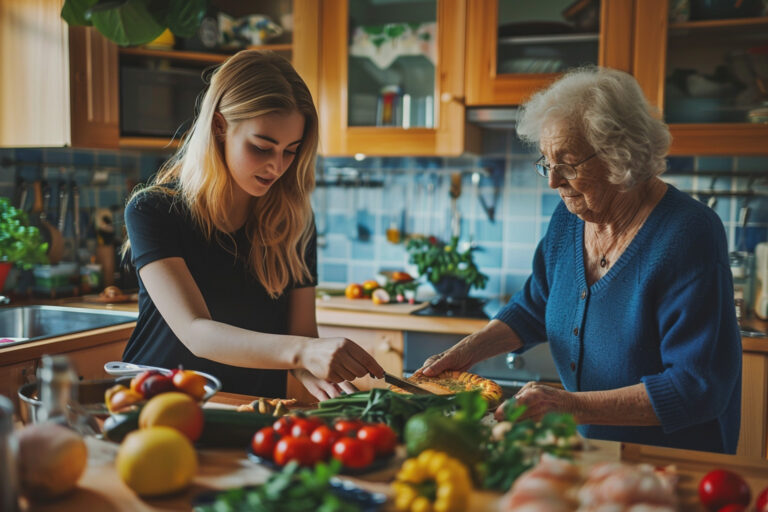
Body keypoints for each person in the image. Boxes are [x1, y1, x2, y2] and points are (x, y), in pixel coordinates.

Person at [418, 67, 742, 454]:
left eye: (567, 164)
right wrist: (467, 350)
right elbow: (534, 307)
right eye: (546, 162)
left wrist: (566, 405)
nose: (553, 181)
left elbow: (697, 386)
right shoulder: (569, 220)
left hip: (675, 460)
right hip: (596, 451)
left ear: (620, 156)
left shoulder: (688, 233)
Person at [122, 50, 384, 400]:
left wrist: (326, 379)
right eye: (262, 147)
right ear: (218, 126)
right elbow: (196, 332)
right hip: (164, 405)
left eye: (291, 151)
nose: (277, 167)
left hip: (253, 408)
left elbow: (302, 332)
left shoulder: (294, 220)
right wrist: (305, 351)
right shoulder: (152, 210)